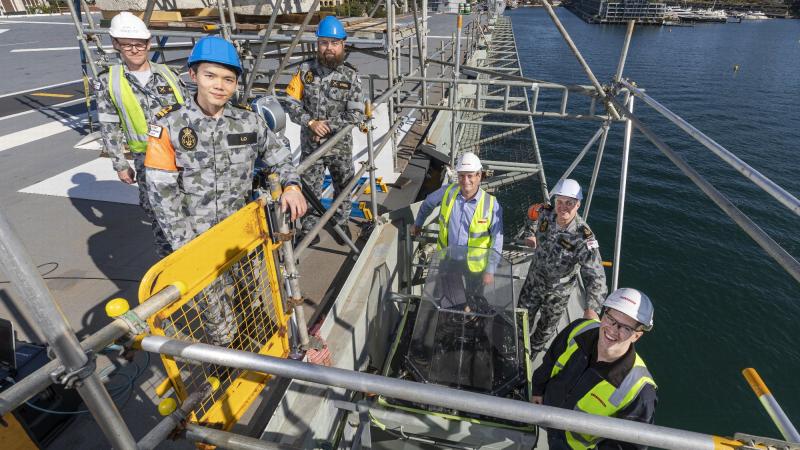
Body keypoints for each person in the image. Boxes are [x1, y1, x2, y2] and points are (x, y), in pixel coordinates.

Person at [144, 36, 307, 345]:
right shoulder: (169, 126)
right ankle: (226, 358)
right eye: (210, 75)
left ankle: (255, 332)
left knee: (252, 291)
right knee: (214, 311)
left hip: (243, 232)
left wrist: (292, 185)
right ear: (193, 76)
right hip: (197, 240)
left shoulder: (248, 121)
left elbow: (281, 155)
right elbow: (162, 196)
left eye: (228, 79)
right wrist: (188, 249)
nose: (219, 85)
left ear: (235, 84)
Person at [96, 11, 186, 257]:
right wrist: (120, 163)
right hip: (147, 160)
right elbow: (109, 125)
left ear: (149, 43)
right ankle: (171, 270)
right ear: (116, 44)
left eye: (140, 44)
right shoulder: (109, 81)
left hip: (183, 156)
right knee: (160, 217)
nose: (135, 50)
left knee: (190, 208)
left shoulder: (169, 74)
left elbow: (190, 112)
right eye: (127, 45)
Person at [531, 288, 657, 450]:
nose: (612, 329)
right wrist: (538, 390)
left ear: (637, 336)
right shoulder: (579, 329)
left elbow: (629, 446)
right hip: (547, 413)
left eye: (625, 328)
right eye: (610, 318)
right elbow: (550, 360)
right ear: (603, 314)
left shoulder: (640, 390)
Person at [285, 15, 364, 242]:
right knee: (309, 189)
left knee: (345, 186)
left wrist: (327, 126)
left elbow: (356, 114)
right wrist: (311, 123)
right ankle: (309, 229)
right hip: (312, 146)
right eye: (324, 42)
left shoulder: (351, 75)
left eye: (334, 43)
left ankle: (341, 224)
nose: (329, 48)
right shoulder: (304, 70)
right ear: (317, 43)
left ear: (343, 44)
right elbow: (290, 102)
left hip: (340, 146)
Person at [519, 178, 607, 356]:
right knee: (520, 319)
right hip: (533, 283)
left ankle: (529, 357)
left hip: (557, 294)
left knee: (544, 330)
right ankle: (516, 348)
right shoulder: (546, 214)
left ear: (578, 205)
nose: (563, 207)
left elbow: (596, 276)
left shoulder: (584, 237)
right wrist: (530, 234)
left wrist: (591, 309)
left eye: (570, 203)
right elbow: (532, 219)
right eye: (560, 202)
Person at [411, 152, 504, 287]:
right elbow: (427, 204)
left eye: (470, 176)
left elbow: (497, 240)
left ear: (479, 176)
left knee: (471, 302)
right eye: (461, 176)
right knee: (447, 298)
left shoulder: (491, 204)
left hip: (475, 267)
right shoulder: (447, 192)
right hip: (448, 261)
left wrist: (490, 271)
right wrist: (418, 224)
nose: (465, 181)